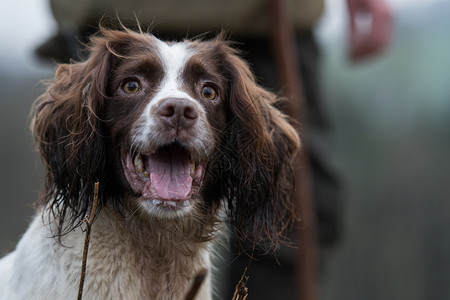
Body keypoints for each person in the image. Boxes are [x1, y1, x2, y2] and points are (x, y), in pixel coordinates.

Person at [35, 0, 392, 298]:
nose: (178, 106)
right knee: (76, 198)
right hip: (114, 7)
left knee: (297, 212)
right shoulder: (104, 67)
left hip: (264, 18)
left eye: (207, 93)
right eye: (132, 85)